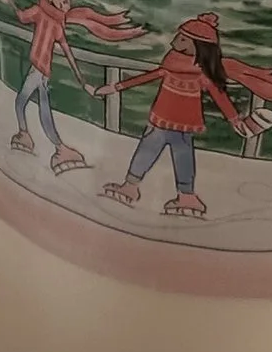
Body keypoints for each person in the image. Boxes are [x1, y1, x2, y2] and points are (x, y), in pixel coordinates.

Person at [0, 0, 146, 173]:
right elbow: (21, 16)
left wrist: (82, 80)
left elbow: (68, 53)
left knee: (25, 104)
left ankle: (45, 142)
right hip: (38, 70)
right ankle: (46, 142)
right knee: (33, 106)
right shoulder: (39, 12)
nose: (58, 1)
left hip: (40, 72)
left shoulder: (55, 25)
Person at [100, 16, 246, 218]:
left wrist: (234, 119)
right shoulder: (170, 66)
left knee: (182, 158)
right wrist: (115, 87)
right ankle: (130, 186)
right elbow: (146, 77)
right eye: (180, 36)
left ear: (199, 46)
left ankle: (186, 195)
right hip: (161, 121)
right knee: (148, 151)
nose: (175, 41)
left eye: (183, 39)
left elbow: (219, 96)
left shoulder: (200, 74)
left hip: (182, 125)